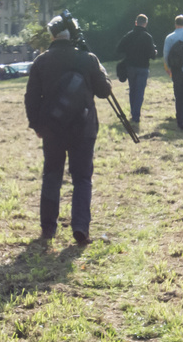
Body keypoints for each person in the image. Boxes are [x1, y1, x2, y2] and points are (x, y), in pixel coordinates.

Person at [25, 13, 113, 245]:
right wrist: (98, 66)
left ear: (52, 35)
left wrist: (36, 124)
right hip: (83, 128)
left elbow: (31, 97)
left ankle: (48, 228)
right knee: (82, 178)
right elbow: (104, 91)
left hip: (52, 130)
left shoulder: (41, 61)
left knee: (52, 175)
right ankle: (81, 227)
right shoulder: (87, 58)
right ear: (71, 34)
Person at [114, 14, 159, 127]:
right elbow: (152, 55)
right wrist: (154, 52)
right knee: (140, 92)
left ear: (136, 23)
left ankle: (133, 112)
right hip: (143, 67)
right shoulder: (147, 37)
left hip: (130, 66)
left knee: (132, 90)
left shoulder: (129, 35)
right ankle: (136, 115)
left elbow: (119, 49)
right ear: (145, 23)